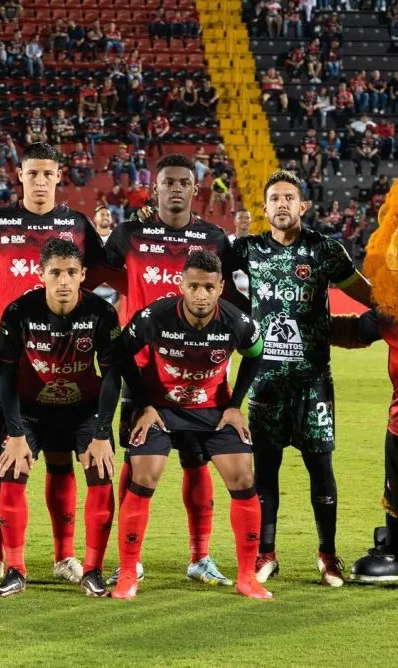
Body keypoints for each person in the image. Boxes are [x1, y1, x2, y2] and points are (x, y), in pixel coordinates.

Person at [0, 142, 105, 587]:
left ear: (58, 176)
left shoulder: (77, 225)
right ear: (19, 177)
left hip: (66, 356)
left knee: (61, 460)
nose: (40, 181)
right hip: (11, 361)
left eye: (48, 174)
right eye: (32, 174)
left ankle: (65, 556)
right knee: (2, 460)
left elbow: (100, 272)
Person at [229, 170, 373, 588]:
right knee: (265, 472)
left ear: (303, 206)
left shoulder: (326, 251)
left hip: (313, 384)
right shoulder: (248, 249)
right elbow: (209, 273)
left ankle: (328, 555)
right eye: (274, 198)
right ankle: (266, 553)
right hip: (265, 384)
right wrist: (244, 310)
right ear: (265, 207)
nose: (281, 205)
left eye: (289, 198)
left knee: (321, 471)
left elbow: (365, 294)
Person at [102, 154, 235, 588]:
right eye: (168, 182)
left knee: (198, 462)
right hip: (141, 372)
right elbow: (98, 274)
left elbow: (231, 294)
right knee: (136, 460)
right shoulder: (129, 233)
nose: (176, 188)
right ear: (154, 188)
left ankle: (200, 557)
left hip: (197, 373)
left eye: (183, 182)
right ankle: (129, 558)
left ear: (194, 189)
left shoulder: (214, 237)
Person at [113, 250, 268, 600]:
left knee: (243, 474)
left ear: (220, 288)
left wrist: (234, 406)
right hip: (162, 409)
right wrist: (145, 404)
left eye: (209, 287)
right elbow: (121, 353)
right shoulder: (155, 316)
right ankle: (127, 573)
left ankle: (247, 576)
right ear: (180, 285)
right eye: (194, 286)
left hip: (212, 410)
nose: (201, 295)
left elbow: (256, 353)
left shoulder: (237, 321)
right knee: (144, 473)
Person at [0, 239, 121, 597]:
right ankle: (15, 568)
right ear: (41, 275)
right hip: (31, 410)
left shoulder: (102, 313)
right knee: (12, 469)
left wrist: (101, 433)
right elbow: (4, 375)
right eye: (55, 273)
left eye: (70, 273)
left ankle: (91, 569)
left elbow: (111, 375)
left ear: (82, 275)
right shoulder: (19, 311)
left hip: (83, 410)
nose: (63, 281)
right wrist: (15, 432)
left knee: (101, 471)